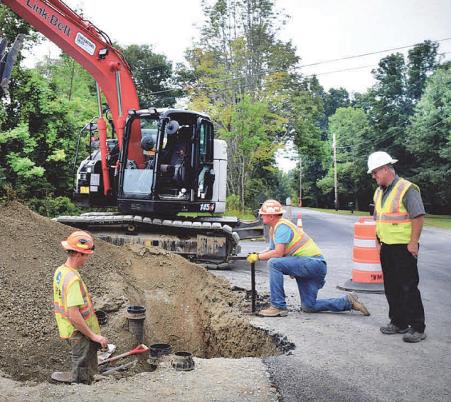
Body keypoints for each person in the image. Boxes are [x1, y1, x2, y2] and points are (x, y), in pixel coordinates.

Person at [247, 199, 370, 317]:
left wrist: (258, 257)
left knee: (273, 263)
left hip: (313, 264)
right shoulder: (274, 229)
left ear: (271, 216)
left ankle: (278, 306)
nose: (261, 216)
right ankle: (348, 301)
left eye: (263, 214)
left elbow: (278, 253)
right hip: (311, 265)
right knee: (309, 306)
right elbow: (271, 249)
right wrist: (256, 254)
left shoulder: (282, 227)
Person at [367, 151, 426, 343]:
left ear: (386, 169)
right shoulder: (379, 192)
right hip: (387, 246)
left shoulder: (407, 188)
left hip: (404, 247)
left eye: (375, 172)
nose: (373, 176)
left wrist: (413, 242)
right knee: (391, 287)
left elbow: (418, 216)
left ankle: (417, 327)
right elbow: (379, 220)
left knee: (408, 286)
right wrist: (378, 242)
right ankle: (398, 322)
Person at [53, 230, 108, 384]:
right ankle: (81, 386)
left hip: (70, 329)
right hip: (78, 331)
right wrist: (94, 336)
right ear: (78, 254)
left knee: (87, 366)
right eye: (86, 255)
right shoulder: (73, 280)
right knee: (81, 372)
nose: (87, 259)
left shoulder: (61, 271)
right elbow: (73, 314)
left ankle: (90, 378)